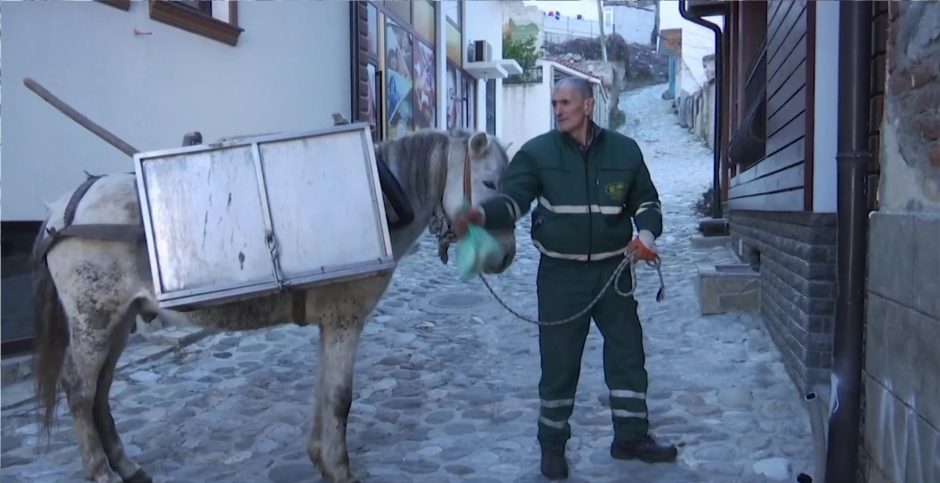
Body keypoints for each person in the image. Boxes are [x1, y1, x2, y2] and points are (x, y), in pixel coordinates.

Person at [455, 77, 677, 480]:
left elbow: (647, 201)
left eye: (566, 102)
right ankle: (552, 446)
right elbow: (514, 199)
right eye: (554, 102)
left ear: (589, 106)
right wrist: (481, 216)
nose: (558, 109)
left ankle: (631, 437)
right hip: (560, 275)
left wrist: (645, 236)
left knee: (628, 354)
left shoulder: (625, 152)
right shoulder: (537, 154)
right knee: (559, 363)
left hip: (614, 273)